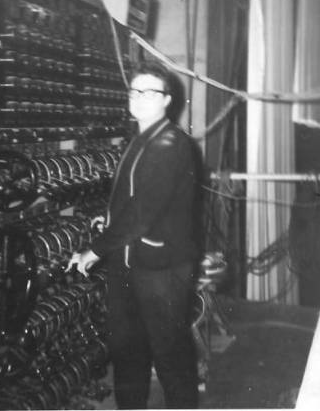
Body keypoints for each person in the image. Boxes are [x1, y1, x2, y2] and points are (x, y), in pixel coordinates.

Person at [67, 60, 199, 409]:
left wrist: (94, 250)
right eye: (134, 90)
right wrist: (107, 219)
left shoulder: (170, 143)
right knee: (128, 354)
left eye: (149, 92)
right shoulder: (142, 139)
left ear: (167, 100)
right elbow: (132, 198)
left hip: (161, 269)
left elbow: (144, 210)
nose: (139, 98)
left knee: (170, 355)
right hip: (129, 265)